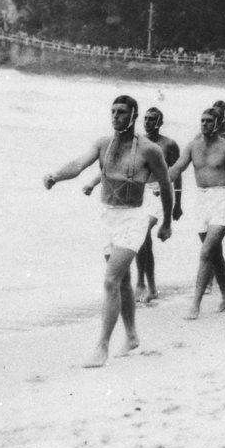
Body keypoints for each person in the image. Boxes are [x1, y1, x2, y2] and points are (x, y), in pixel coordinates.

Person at [44, 95, 173, 367]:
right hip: (108, 216)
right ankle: (132, 335)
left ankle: (101, 346)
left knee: (110, 281)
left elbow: (166, 184)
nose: (116, 116)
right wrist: (55, 176)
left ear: (134, 115)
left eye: (122, 112)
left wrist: (167, 222)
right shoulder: (104, 144)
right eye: (113, 111)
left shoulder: (149, 150)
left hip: (134, 218)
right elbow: (79, 165)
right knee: (122, 281)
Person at [85, 106, 182, 302]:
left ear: (160, 122)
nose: (148, 122)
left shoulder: (167, 145)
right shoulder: (136, 144)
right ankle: (142, 285)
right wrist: (92, 184)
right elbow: (113, 170)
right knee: (142, 240)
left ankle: (145, 284)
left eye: (152, 119)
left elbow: (176, 173)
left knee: (143, 233)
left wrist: (176, 204)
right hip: (138, 194)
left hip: (157, 194)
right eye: (146, 118)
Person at [168, 107, 225, 320]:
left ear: (218, 124)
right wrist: (158, 182)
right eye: (202, 120)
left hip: (222, 200)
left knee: (206, 252)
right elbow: (177, 168)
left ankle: (195, 304)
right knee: (214, 253)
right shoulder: (192, 146)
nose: (205, 124)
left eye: (209, 121)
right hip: (201, 200)